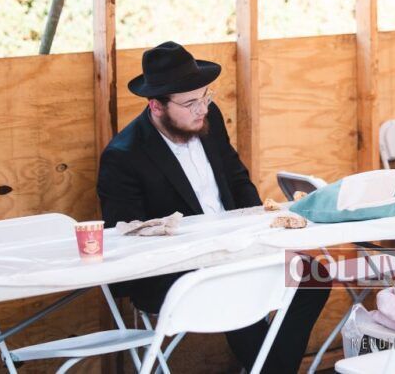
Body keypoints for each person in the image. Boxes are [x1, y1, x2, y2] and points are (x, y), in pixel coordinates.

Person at [97, 41, 330, 373]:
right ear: (156, 106)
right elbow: (128, 235)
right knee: (238, 290)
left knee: (313, 277)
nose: (201, 110)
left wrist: (261, 233)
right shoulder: (124, 156)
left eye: (205, 97)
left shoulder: (209, 115)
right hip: (177, 269)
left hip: (238, 248)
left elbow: (236, 178)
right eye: (190, 103)